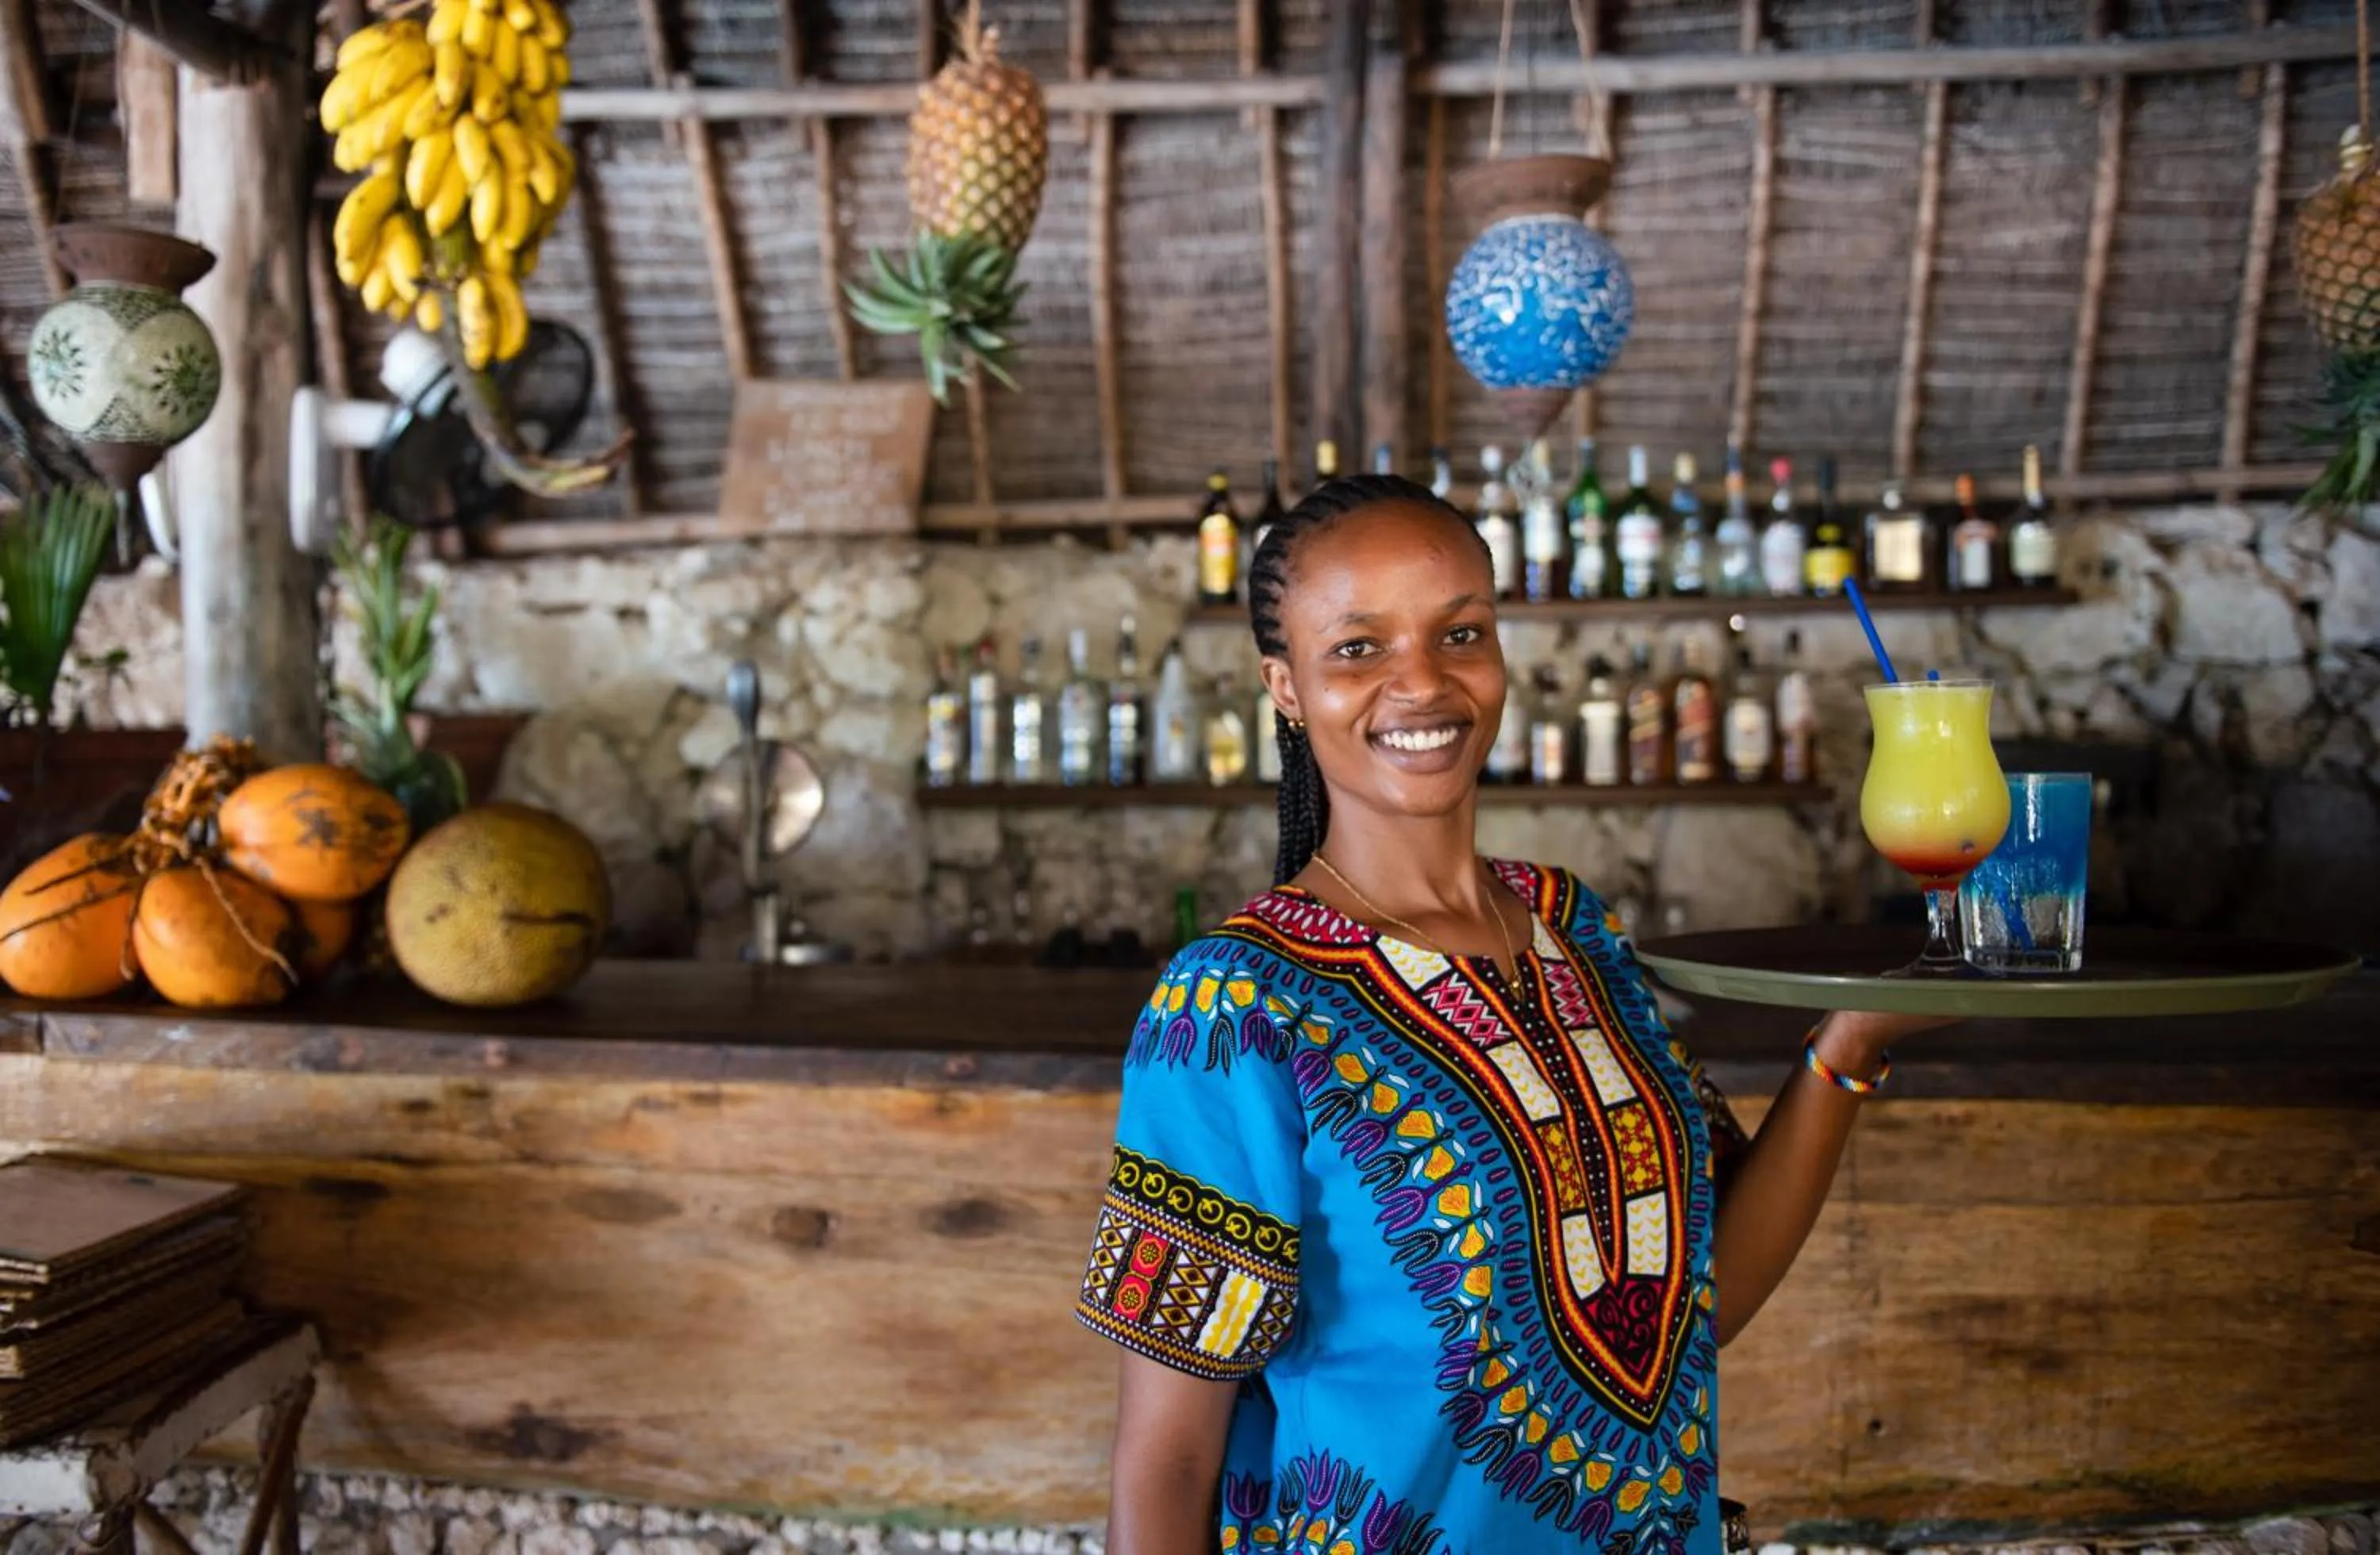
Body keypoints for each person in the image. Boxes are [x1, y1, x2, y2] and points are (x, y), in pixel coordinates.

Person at [1072, 474, 1943, 1555]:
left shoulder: (1576, 927)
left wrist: (1847, 1049)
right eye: (1357, 648)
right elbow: (1168, 1460)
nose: (1423, 683)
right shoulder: (1235, 1006)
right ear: (1283, 686)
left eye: (1462, 633)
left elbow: (1687, 1312)